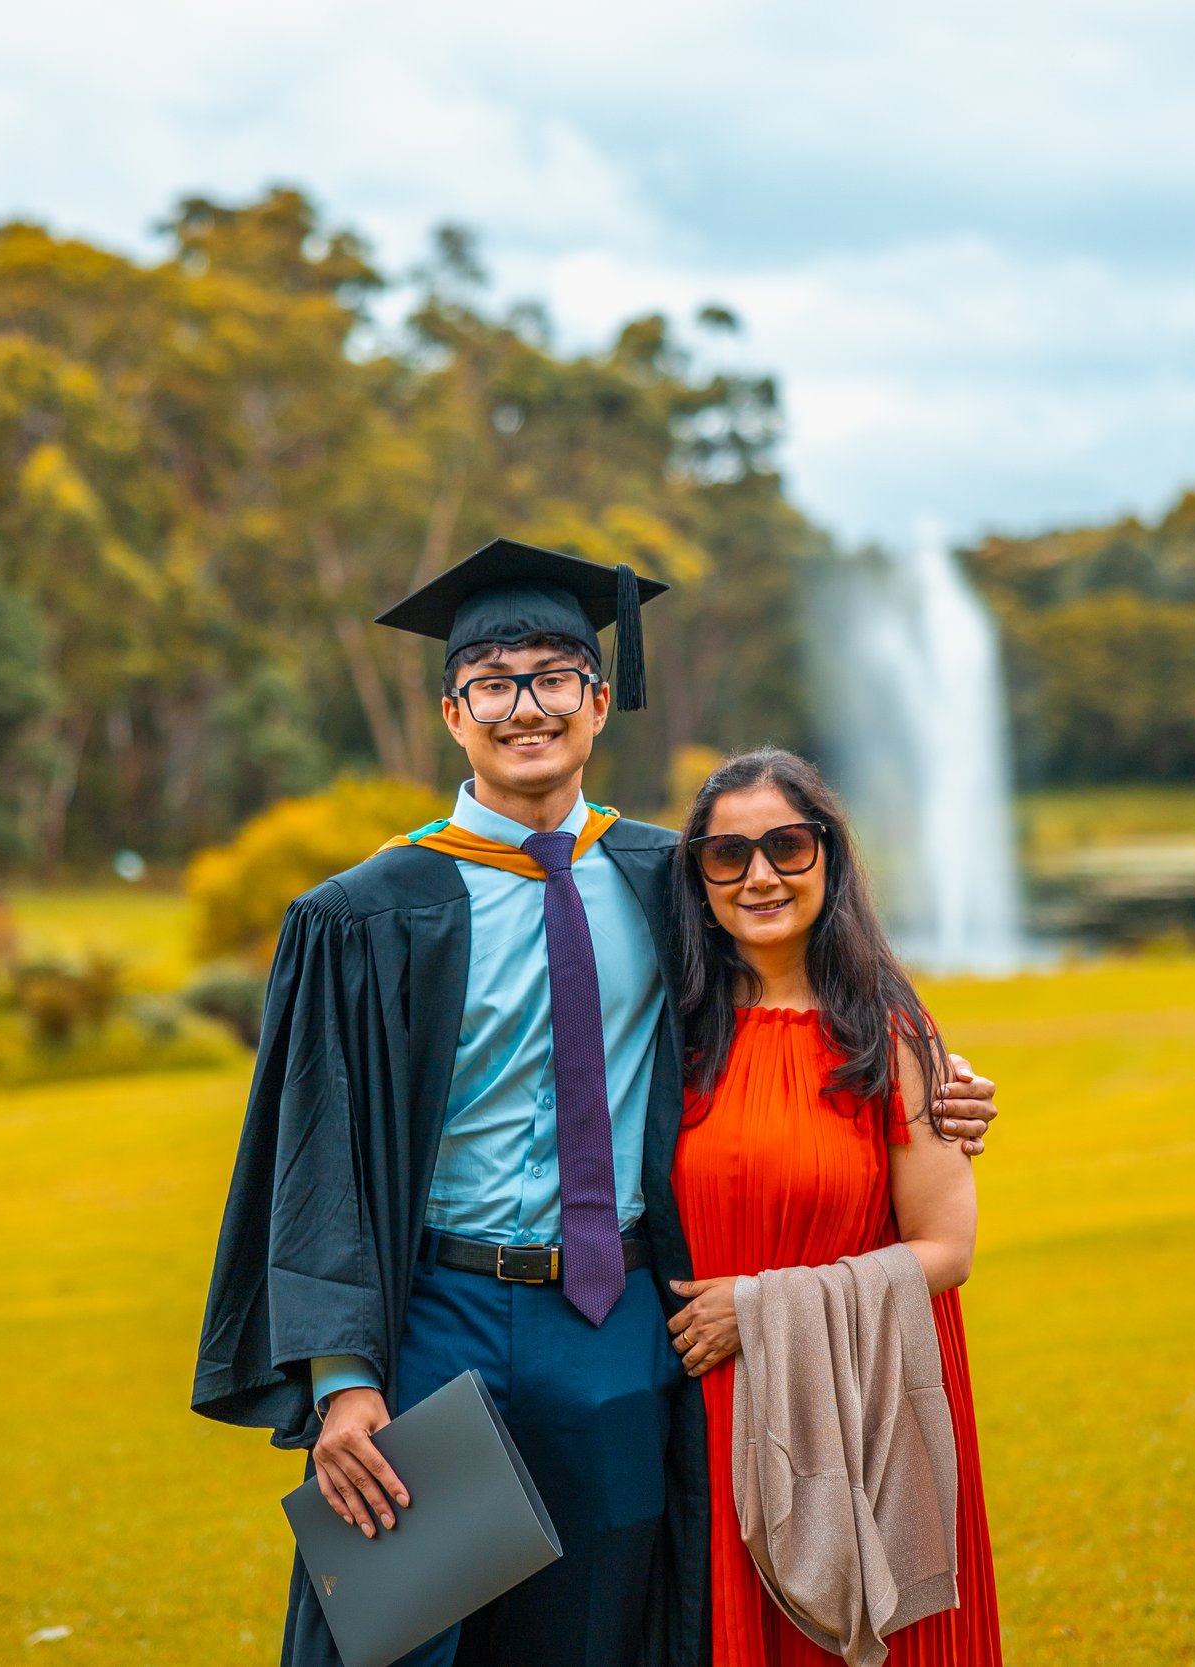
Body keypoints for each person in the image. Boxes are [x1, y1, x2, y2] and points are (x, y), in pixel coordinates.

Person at [190, 538, 1003, 1667]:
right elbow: (316, 1158)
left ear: (600, 698)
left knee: (604, 1628)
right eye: (494, 682)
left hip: (616, 1322)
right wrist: (342, 1382)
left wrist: (938, 1084)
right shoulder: (366, 913)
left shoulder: (672, 879)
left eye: (554, 677)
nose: (527, 707)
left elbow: (808, 995)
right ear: (453, 711)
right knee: (401, 1633)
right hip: (435, 1319)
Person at [664, 748, 1004, 1667]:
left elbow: (949, 1248)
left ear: (830, 858)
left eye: (787, 845)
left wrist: (762, 1308)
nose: (761, 875)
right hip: (702, 1407)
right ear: (697, 878)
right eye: (728, 855)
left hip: (857, 1404)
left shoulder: (887, 1032)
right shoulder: (673, 1033)